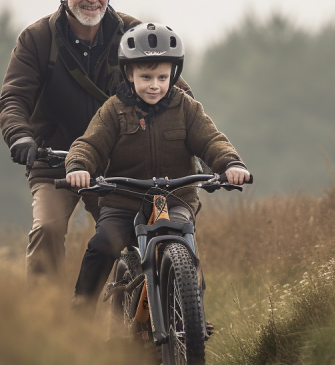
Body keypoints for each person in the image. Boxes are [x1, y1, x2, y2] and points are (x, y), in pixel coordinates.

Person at [0, 0, 190, 284]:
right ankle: (44, 321)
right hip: (55, 159)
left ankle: (147, 316)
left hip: (120, 161)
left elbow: (174, 91)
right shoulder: (37, 39)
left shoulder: (133, 35)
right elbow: (13, 99)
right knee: (48, 230)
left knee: (135, 235)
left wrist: (189, 134)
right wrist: (21, 136)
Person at [64, 22, 249, 307]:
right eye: (146, 76)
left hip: (174, 200)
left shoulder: (187, 108)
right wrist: (79, 167)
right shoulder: (114, 109)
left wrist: (230, 164)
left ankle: (190, 319)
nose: (155, 85)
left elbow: (212, 140)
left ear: (174, 74)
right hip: (123, 202)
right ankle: (79, 316)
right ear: (129, 73)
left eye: (163, 77)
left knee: (184, 248)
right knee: (101, 245)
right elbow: (89, 144)